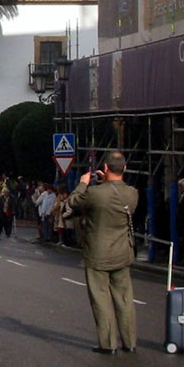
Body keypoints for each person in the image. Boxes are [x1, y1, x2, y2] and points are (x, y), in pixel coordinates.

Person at [68, 151, 139, 354]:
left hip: (98, 253)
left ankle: (108, 344)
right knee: (124, 298)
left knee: (101, 299)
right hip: (123, 251)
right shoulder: (132, 193)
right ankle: (130, 342)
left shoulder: (95, 193)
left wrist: (83, 183)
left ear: (106, 168)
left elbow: (73, 202)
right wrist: (106, 182)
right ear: (124, 168)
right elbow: (112, 197)